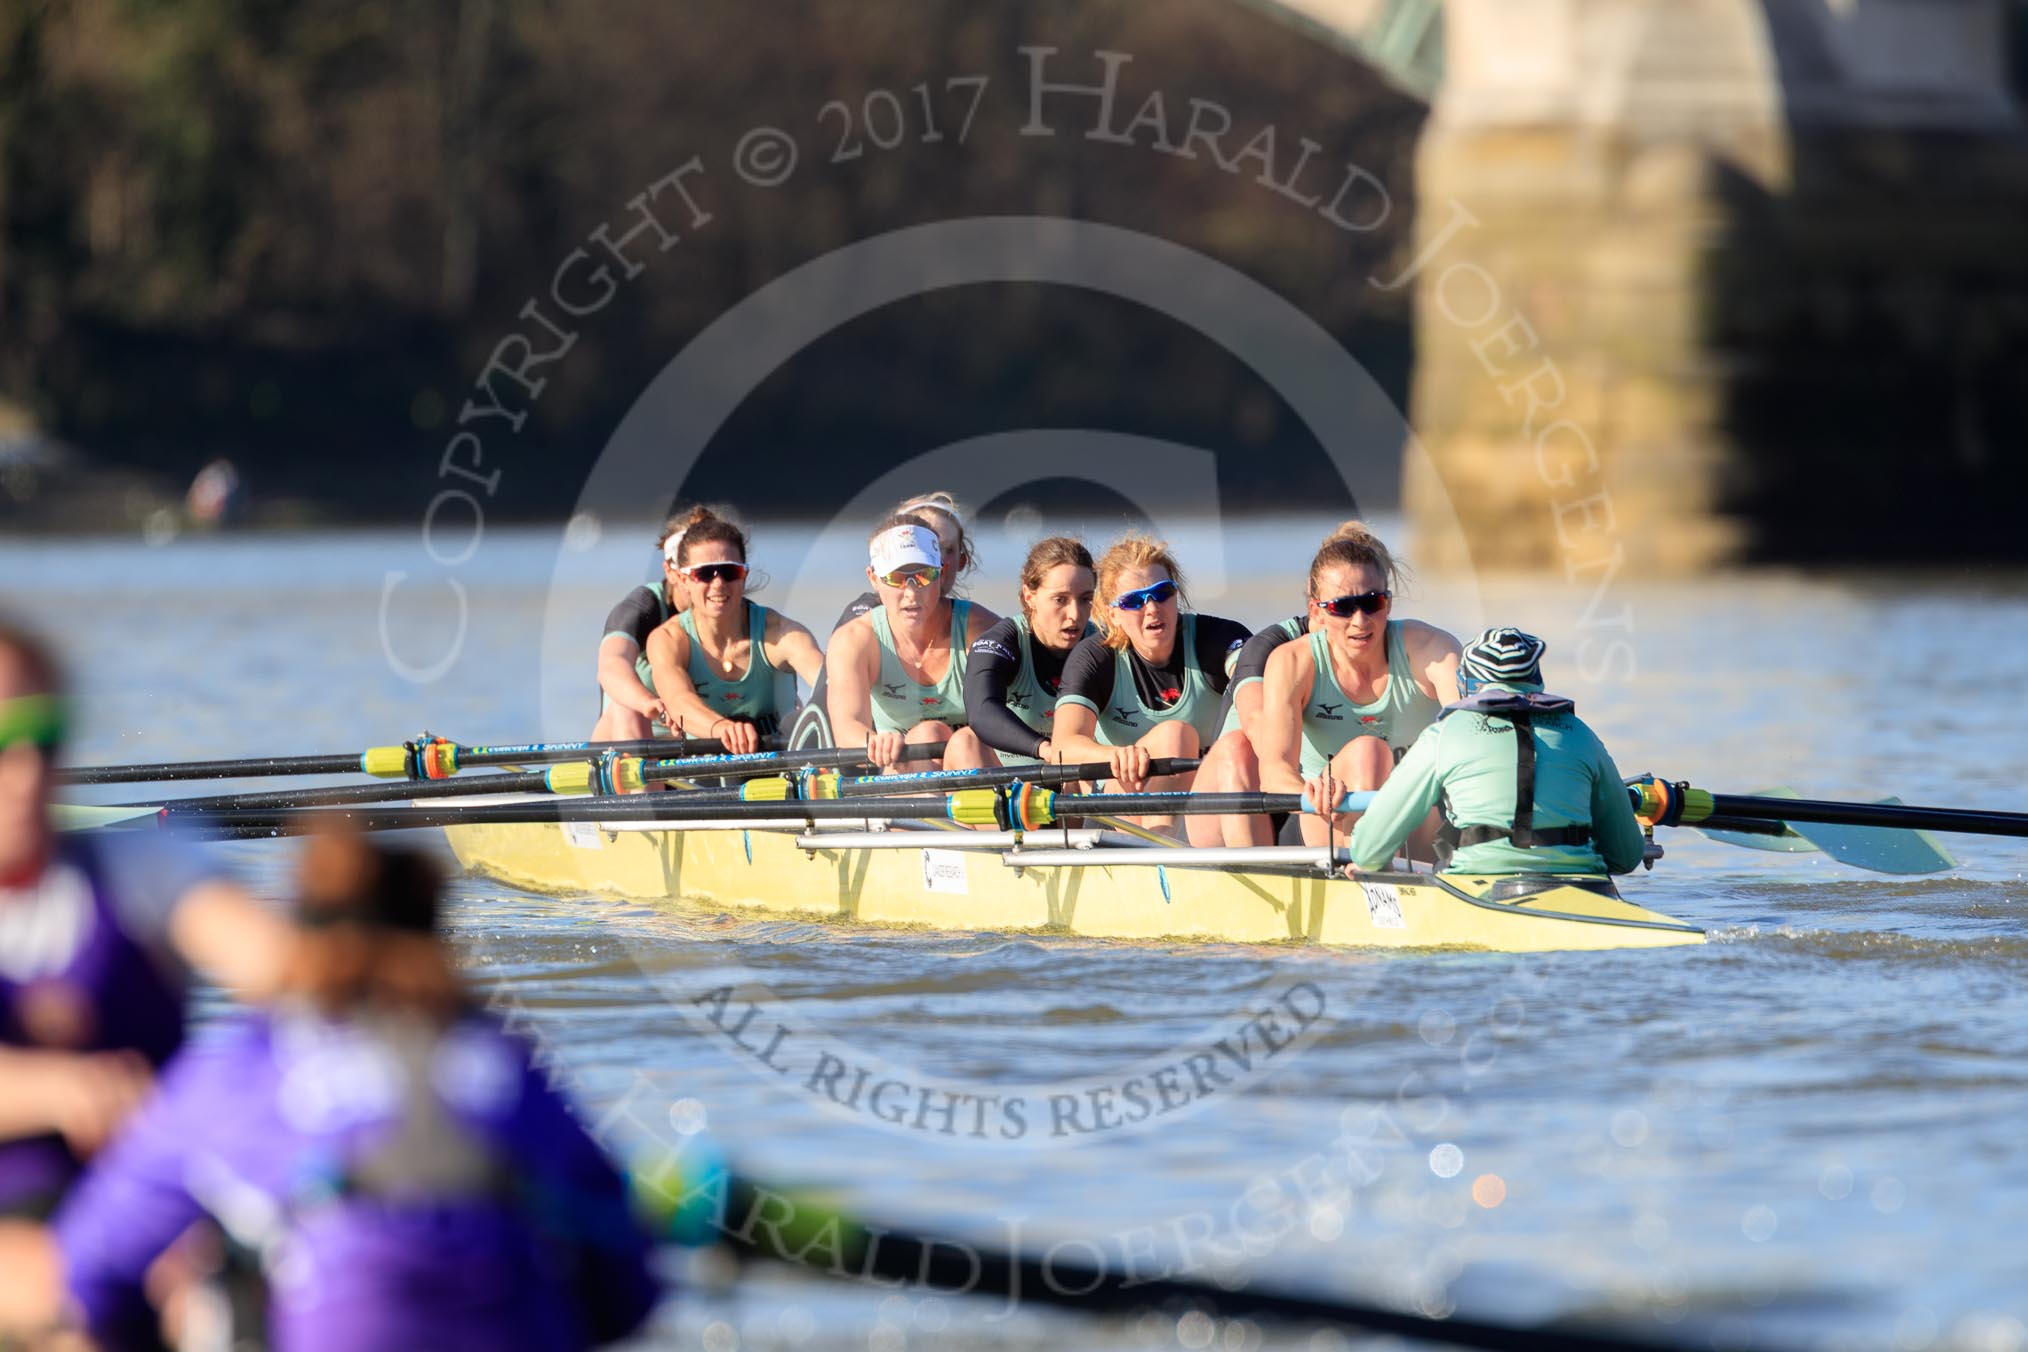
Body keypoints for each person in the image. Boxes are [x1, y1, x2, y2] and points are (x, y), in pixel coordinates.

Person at [47, 831, 661, 1351]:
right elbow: (629, 1288)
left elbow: (89, 1268)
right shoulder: (498, 1052)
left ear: (301, 935)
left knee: (216, 1275)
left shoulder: (247, 1058)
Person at [0, 620, 289, 1224]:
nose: (28, 772)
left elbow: (276, 965)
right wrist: (56, 1090)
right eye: (5, 741)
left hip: (156, 1230)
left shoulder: (140, 863)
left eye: (46, 741)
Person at [1345, 628, 1647, 877]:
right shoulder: (1581, 734)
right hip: (1584, 886)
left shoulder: (1443, 735)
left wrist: (1373, 861)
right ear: (1537, 681)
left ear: (1467, 684)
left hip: (1476, 886)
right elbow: (1627, 855)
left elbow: (1369, 851)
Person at [1253, 525, 1462, 849]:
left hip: (1415, 825)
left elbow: (1470, 738)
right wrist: (1309, 793)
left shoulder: (1434, 649)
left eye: (1372, 602)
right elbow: (1274, 771)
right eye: (1343, 607)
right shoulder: (1292, 662)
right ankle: (1365, 873)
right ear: (1316, 612)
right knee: (1368, 753)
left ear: (1388, 603)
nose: (1361, 621)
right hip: (1328, 823)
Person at [1051, 536, 1250, 834]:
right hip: (1120, 808)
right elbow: (1062, 748)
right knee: (1175, 734)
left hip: (1204, 802)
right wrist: (1114, 755)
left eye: (1162, 592)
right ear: (1111, 614)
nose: (1153, 608)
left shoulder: (1218, 637)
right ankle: (1164, 849)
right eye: (1134, 601)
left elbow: (1260, 688)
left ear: (1176, 595)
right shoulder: (1094, 658)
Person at [643, 508, 825, 755]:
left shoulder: (780, 634)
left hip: (779, 757)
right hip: (705, 761)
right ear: (684, 580)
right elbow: (677, 700)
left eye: (730, 572)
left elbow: (833, 687)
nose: (718, 583)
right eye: (704, 574)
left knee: (805, 718)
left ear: (744, 575)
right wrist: (722, 728)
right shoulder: (668, 639)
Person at [825, 515, 999, 771]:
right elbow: (847, 731)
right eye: (896, 577)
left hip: (976, 760)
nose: (910, 592)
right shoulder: (854, 639)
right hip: (907, 768)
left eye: (923, 575)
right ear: (873, 578)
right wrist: (877, 743)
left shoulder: (981, 630)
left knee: (963, 742)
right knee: (927, 736)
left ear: (941, 573)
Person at [961, 537, 1098, 766]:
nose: (1075, 614)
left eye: (1085, 599)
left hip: (1077, 778)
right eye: (1060, 600)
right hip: (1012, 785)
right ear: (1029, 596)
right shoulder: (1002, 642)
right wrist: (1044, 748)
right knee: (963, 742)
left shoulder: (1102, 645)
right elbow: (981, 712)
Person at [592, 509, 693, 741]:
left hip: (696, 743)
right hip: (631, 738)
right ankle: (648, 776)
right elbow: (611, 666)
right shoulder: (643, 608)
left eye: (716, 570)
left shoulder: (728, 607)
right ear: (671, 570)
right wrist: (647, 702)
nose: (714, 582)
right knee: (627, 707)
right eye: (690, 569)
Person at [829, 491, 978, 634]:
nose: (938, 558)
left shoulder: (972, 621)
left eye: (948, 549)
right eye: (920, 547)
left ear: (962, 562)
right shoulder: (864, 615)